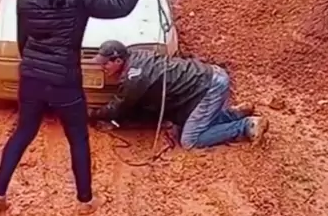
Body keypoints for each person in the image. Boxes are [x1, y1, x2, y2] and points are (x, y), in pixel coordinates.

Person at [0, 0, 156, 214]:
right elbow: (121, 4)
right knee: (77, 138)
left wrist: (33, 65)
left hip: (31, 78)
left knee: (22, 133)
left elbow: (23, 42)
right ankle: (85, 201)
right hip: (65, 81)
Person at [87, 40, 269, 149]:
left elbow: (119, 107)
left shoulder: (135, 79)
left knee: (190, 141)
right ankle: (234, 114)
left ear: (118, 60)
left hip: (209, 86)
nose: (102, 67)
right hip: (207, 77)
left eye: (105, 64)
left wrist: (90, 114)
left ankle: (246, 126)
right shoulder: (136, 55)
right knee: (189, 122)